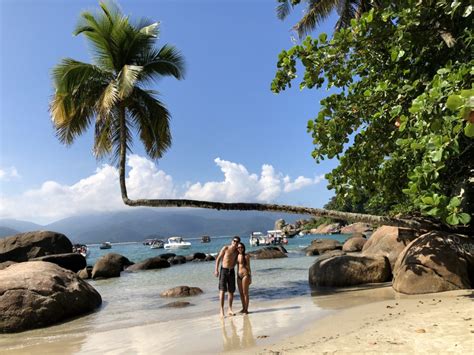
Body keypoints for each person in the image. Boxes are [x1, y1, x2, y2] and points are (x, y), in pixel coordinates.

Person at [215, 236, 240, 317]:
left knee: (231, 291)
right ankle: (221, 310)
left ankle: (230, 309)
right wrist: (216, 270)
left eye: (237, 242)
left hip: (231, 271)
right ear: (231, 241)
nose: (235, 242)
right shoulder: (225, 248)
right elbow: (218, 258)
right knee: (222, 290)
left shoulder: (237, 251)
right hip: (224, 271)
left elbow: (239, 259)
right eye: (234, 241)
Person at [236, 242, 251, 314]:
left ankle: (246, 310)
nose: (240, 248)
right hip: (238, 276)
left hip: (245, 275)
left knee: (245, 293)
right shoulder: (237, 255)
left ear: (243, 248)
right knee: (241, 293)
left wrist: (250, 277)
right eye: (238, 247)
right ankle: (243, 308)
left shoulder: (246, 256)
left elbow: (248, 267)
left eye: (241, 247)